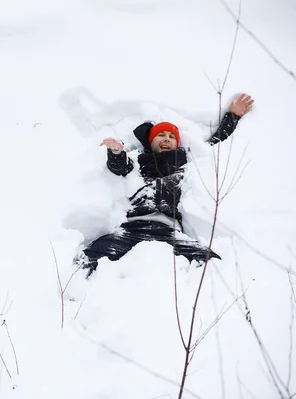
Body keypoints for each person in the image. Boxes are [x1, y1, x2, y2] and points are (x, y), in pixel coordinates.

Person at [77, 94, 255, 275]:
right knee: (86, 257)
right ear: (151, 141)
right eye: (160, 135)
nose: (166, 138)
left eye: (171, 136)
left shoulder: (185, 162)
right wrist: (116, 152)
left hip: (170, 232)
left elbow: (213, 145)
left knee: (213, 265)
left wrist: (233, 117)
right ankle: (72, 296)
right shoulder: (137, 161)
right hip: (131, 230)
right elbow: (119, 167)